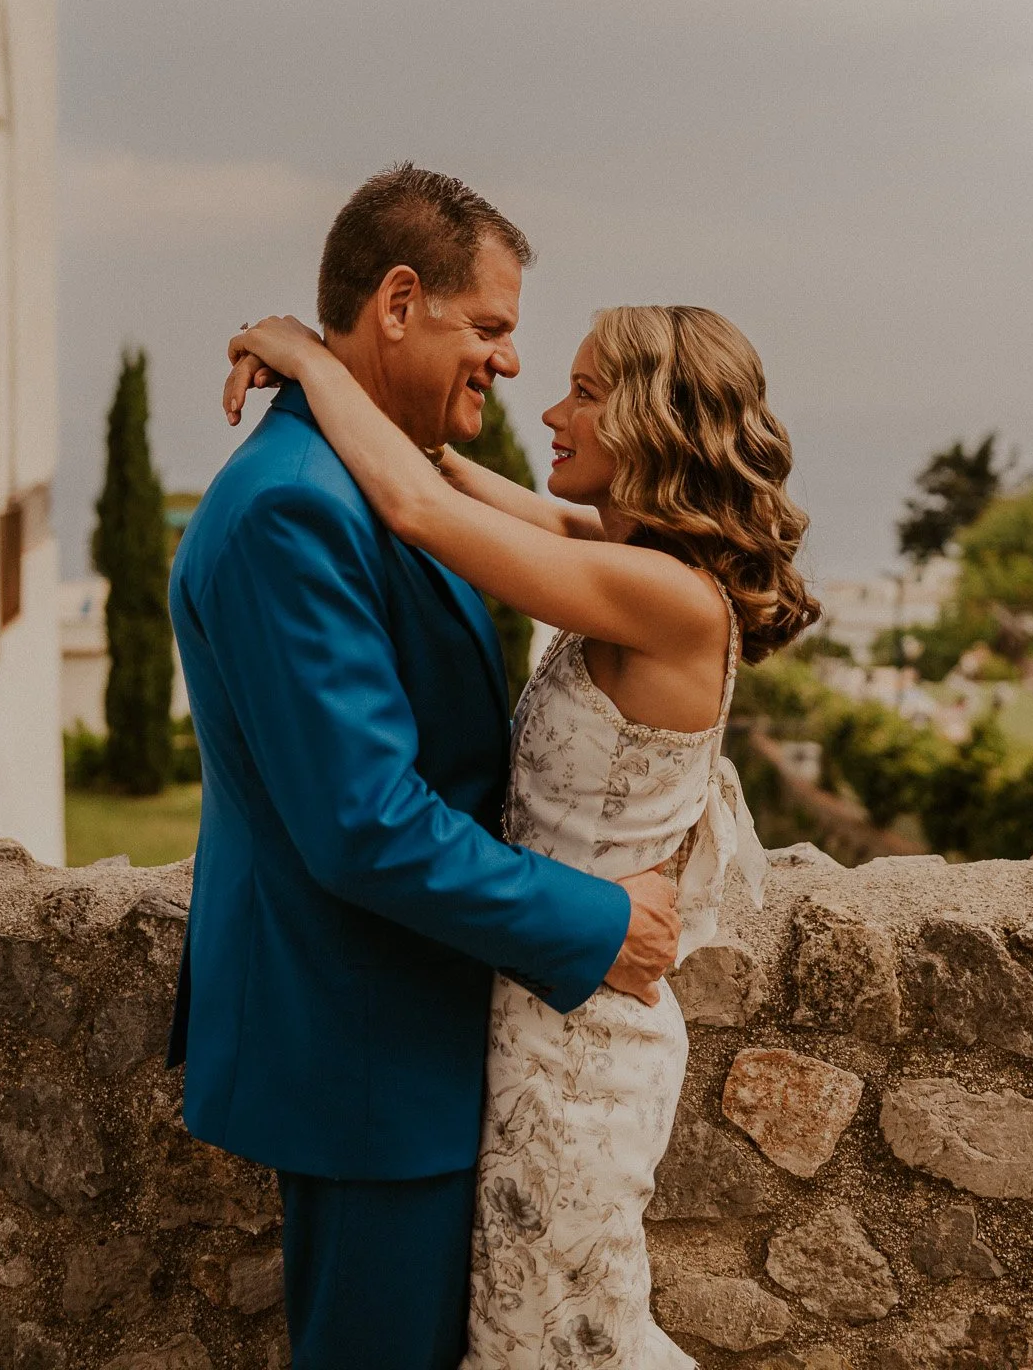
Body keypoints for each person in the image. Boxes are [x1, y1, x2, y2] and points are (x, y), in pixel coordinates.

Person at [225, 295, 820, 1367]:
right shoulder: (613, 548)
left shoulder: (662, 596)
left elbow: (413, 505)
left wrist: (305, 357)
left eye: (584, 393)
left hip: (584, 1050)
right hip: (539, 1012)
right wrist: (369, 378)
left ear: (651, 421)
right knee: (523, 1334)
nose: (548, 407)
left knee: (564, 1341)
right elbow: (439, 471)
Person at [167, 165, 682, 1370]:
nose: (510, 363)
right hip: (369, 1049)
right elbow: (367, 822)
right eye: (492, 328)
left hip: (419, 1034)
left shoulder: (386, 476)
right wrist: (596, 918)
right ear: (400, 302)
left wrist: (297, 347)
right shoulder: (296, 506)